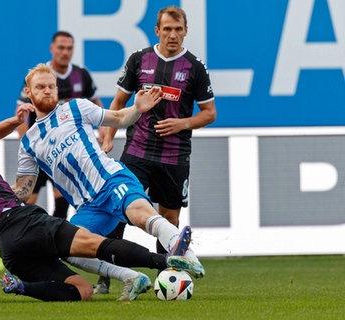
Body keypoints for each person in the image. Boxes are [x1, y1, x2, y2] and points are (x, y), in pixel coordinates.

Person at [0, 106, 198, 302]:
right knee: (95, 243)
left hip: (10, 248)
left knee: (82, 291)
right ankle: (168, 262)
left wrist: (14, 121)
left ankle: (20, 288)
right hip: (23, 223)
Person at [13, 64, 205, 281]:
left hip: (111, 181)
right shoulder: (29, 142)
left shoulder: (75, 108)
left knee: (140, 215)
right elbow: (23, 191)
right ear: (28, 92)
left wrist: (137, 109)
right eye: (40, 87)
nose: (47, 91)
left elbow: (119, 117)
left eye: (51, 86)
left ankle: (188, 255)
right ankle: (131, 278)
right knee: (69, 249)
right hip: (88, 206)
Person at [102, 6, 217, 256]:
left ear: (186, 31)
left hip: (174, 155)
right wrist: (108, 138)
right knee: (119, 209)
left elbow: (210, 113)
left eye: (178, 29)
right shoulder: (139, 60)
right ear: (157, 31)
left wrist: (182, 123)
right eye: (167, 29)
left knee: (170, 219)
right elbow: (118, 103)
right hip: (137, 150)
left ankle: (165, 272)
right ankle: (107, 275)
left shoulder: (195, 67)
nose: (172, 35)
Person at [16, 31, 118, 293]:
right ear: (52, 48)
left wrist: (104, 136)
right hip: (41, 153)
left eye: (69, 48)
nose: (65, 52)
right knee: (27, 201)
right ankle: (21, 245)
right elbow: (21, 114)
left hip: (68, 155)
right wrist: (28, 147)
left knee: (61, 202)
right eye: (61, 47)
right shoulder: (40, 77)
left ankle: (53, 250)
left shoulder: (80, 76)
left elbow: (96, 106)